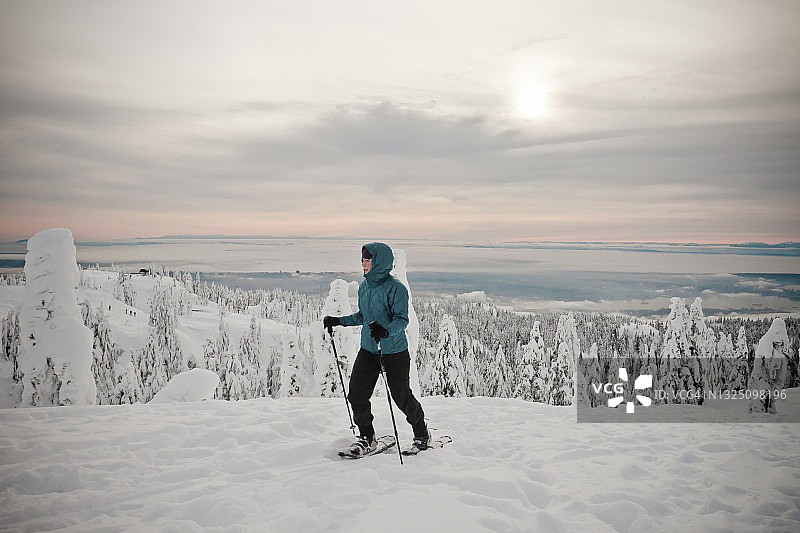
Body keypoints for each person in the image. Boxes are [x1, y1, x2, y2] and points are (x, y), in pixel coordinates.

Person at [324, 242, 429, 456]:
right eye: (362, 259)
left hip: (394, 351)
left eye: (367, 260)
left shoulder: (396, 288)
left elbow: (402, 319)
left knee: (401, 397)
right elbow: (363, 316)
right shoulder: (364, 287)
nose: (363, 263)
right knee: (357, 395)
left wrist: (386, 331)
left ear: (379, 262)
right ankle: (367, 437)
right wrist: (338, 321)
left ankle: (421, 434)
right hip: (369, 350)